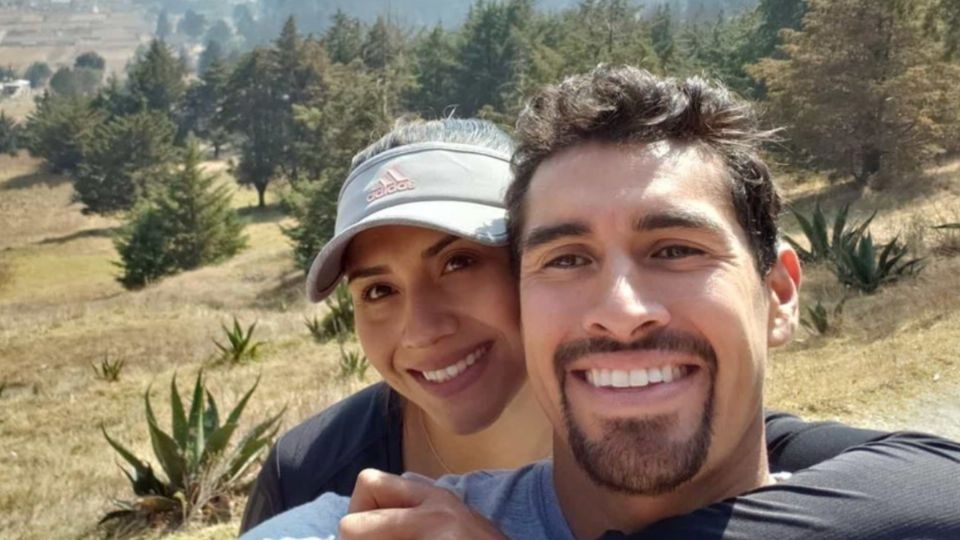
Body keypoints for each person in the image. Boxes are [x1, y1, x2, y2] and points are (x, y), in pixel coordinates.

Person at [241, 68, 960, 539]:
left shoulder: (890, 502)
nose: (620, 310)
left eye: (675, 250)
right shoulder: (352, 505)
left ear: (779, 295)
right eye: (567, 260)